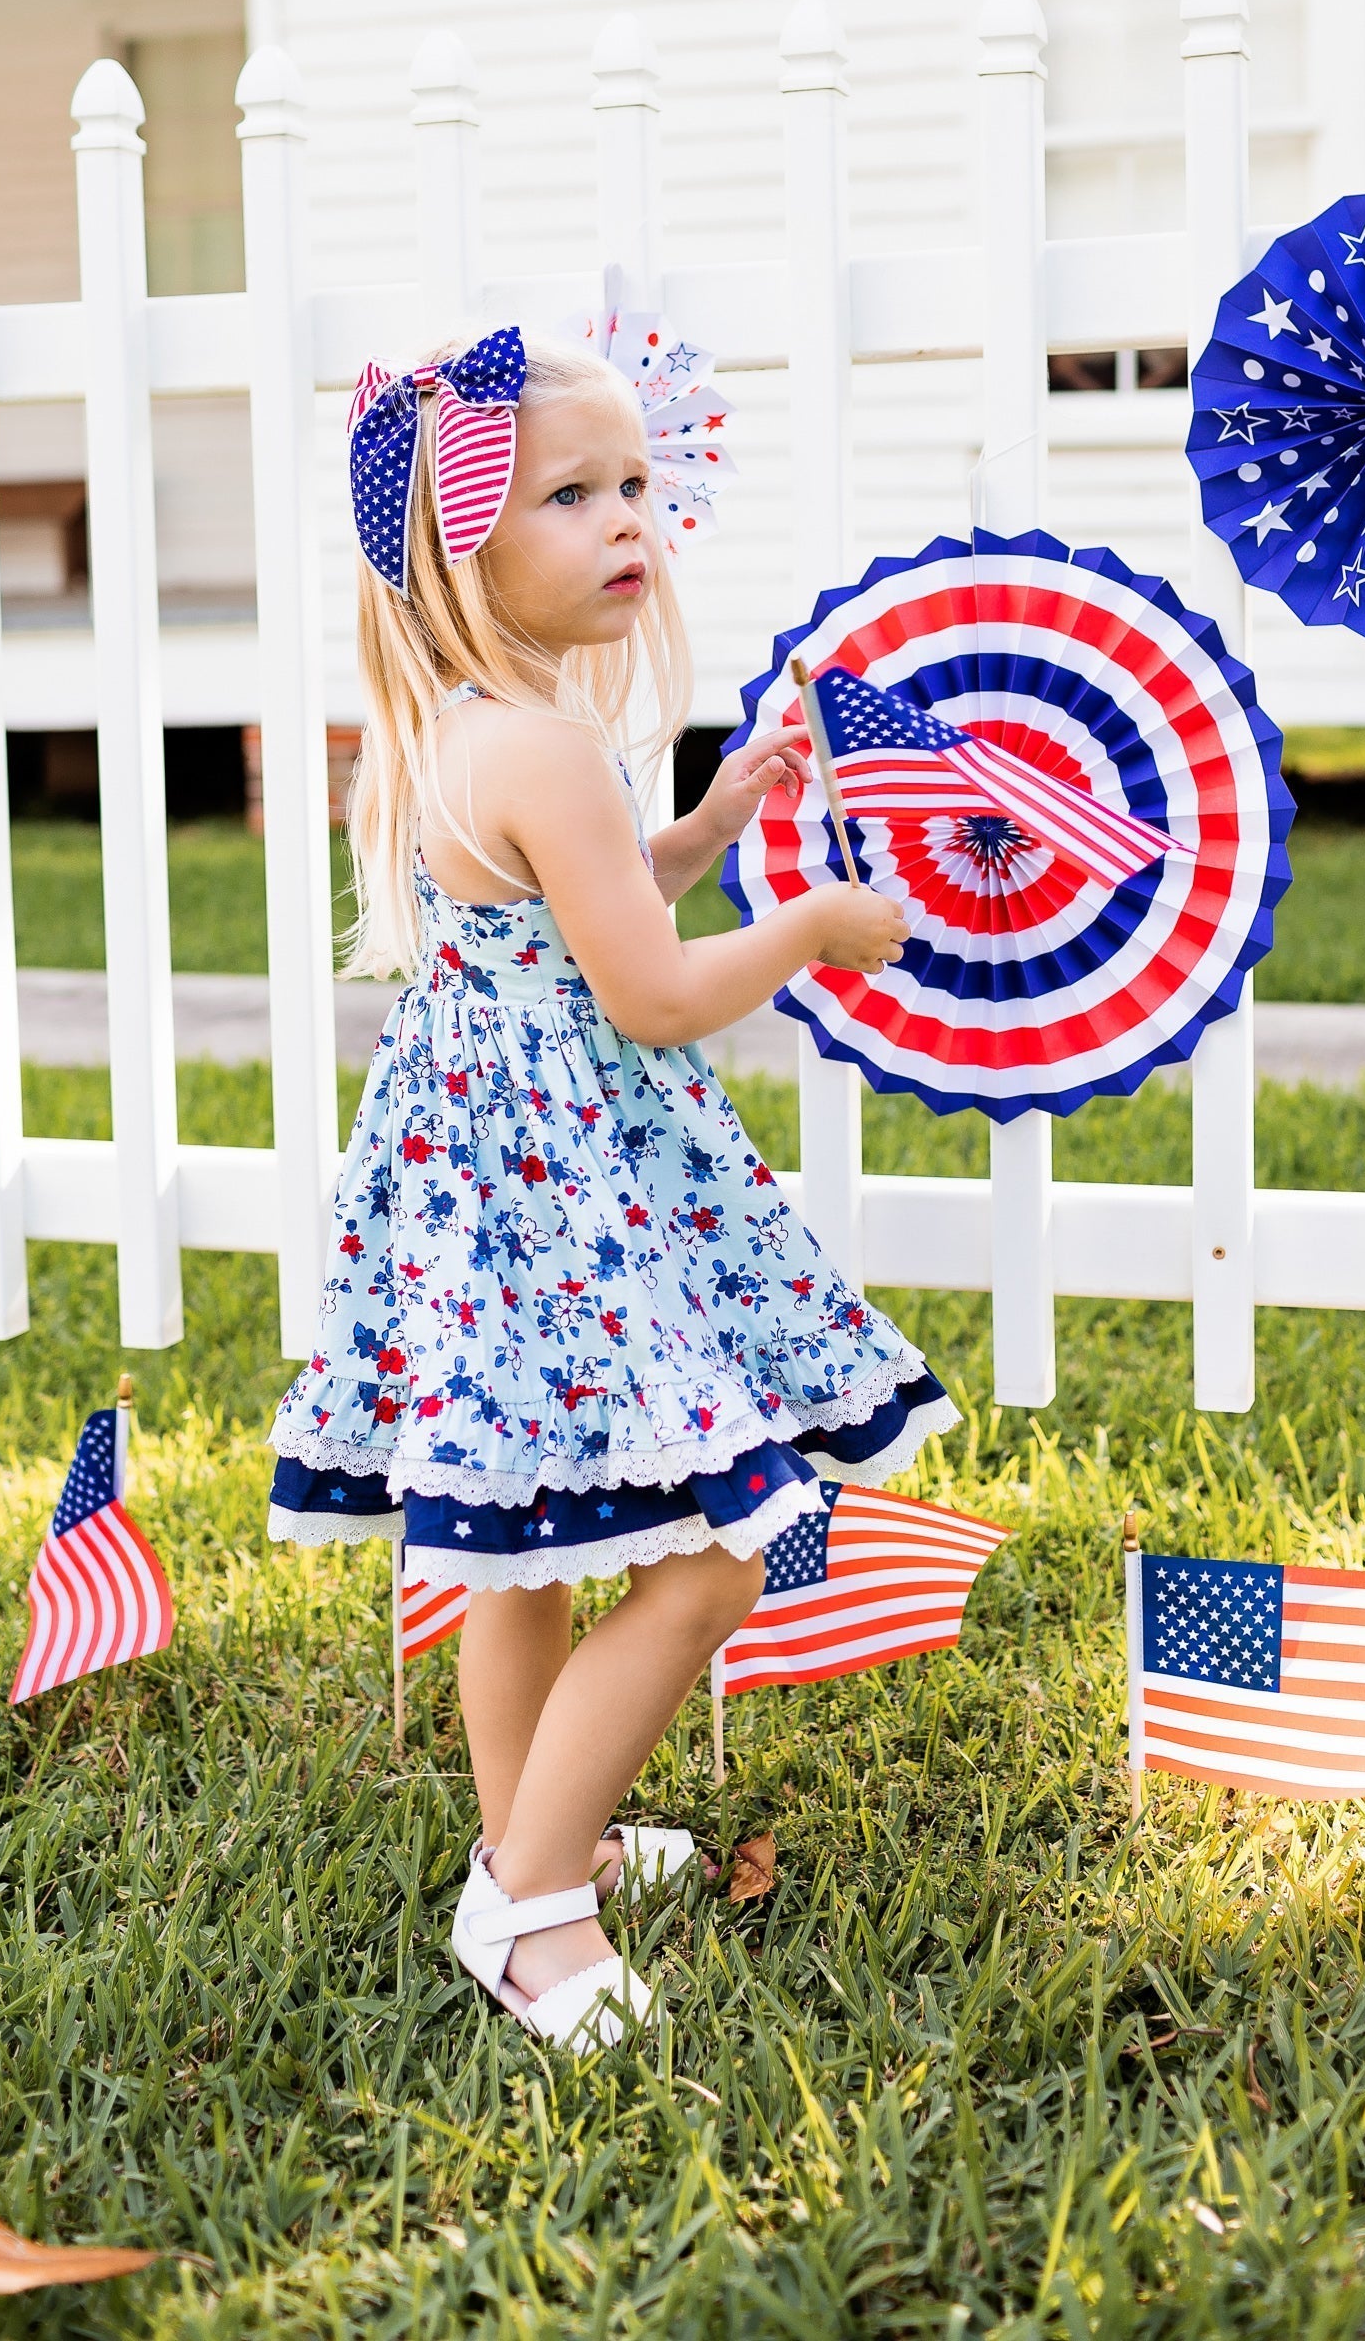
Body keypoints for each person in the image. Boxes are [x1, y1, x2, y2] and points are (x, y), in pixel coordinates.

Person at [267, 327, 957, 2047]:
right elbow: (648, 992)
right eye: (572, 493)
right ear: (466, 539)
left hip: (488, 1197)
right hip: (568, 1209)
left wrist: (709, 828)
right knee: (730, 1536)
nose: (629, 520)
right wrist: (805, 927)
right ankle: (531, 1906)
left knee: (518, 1554)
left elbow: (577, 903)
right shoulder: (550, 747)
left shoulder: (466, 728)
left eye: (640, 485)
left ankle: (527, 1832)